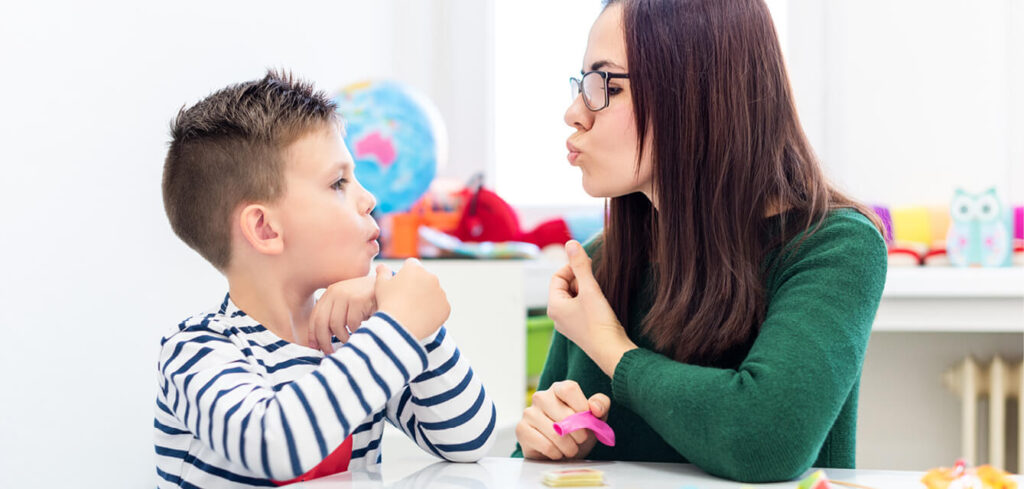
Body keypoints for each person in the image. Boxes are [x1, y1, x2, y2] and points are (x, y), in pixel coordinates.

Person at [513, 0, 887, 483]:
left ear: (697, 91)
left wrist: (610, 347)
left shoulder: (834, 247)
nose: (573, 113)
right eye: (580, 83)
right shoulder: (602, 259)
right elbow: (540, 457)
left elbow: (764, 441)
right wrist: (544, 443)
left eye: (604, 85)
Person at [156, 70, 495, 488]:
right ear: (264, 228)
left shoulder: (355, 339)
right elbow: (272, 444)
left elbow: (469, 439)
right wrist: (400, 326)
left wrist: (423, 332)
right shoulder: (196, 350)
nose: (369, 199)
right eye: (338, 183)